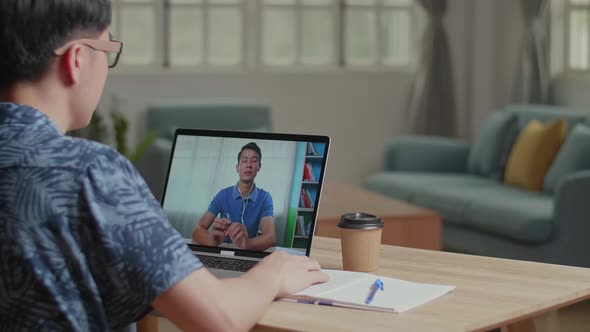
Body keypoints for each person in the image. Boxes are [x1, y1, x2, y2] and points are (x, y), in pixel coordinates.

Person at [0, 1, 329, 331]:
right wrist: (274, 274)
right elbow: (221, 319)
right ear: (77, 59)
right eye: (107, 50)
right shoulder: (91, 173)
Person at [192, 142, 276, 251]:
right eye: (244, 160)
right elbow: (197, 229)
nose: (249, 165)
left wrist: (246, 244)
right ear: (237, 167)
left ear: (259, 166)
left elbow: (270, 237)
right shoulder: (223, 195)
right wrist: (211, 241)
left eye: (254, 161)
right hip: (221, 252)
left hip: (247, 254)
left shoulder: (265, 197)